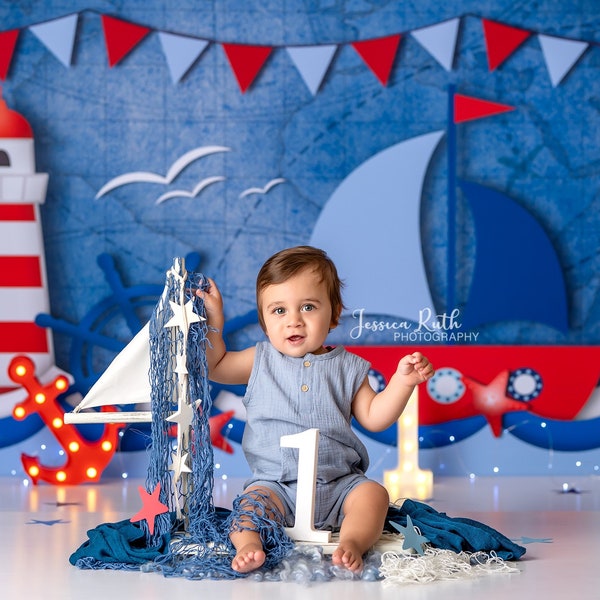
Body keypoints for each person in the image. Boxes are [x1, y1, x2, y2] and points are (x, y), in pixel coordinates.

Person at [198, 245, 434, 574]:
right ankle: (249, 545)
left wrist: (402, 382)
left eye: (308, 306)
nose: (293, 320)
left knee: (374, 496)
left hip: (340, 484)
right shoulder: (260, 360)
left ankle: (352, 541)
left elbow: (375, 417)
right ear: (265, 322)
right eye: (278, 311)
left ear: (334, 314)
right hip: (276, 486)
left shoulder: (349, 367)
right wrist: (215, 322)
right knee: (249, 508)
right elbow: (216, 366)